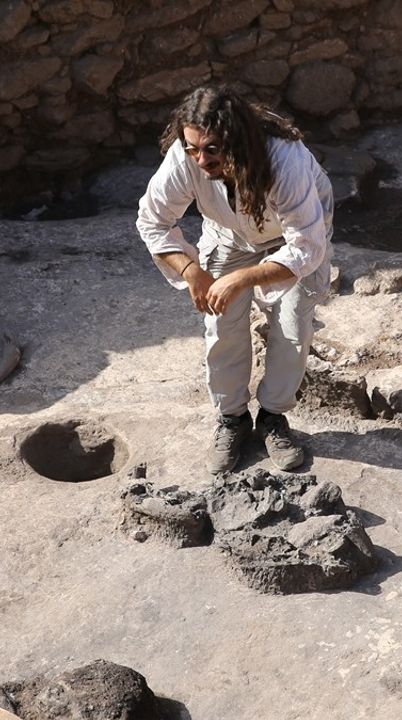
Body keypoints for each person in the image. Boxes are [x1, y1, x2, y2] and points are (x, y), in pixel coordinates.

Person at [137, 85, 334, 475]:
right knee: (221, 325)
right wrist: (191, 270)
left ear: (237, 139)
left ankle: (273, 419)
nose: (200, 159)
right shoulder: (187, 157)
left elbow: (306, 246)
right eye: (192, 148)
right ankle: (233, 419)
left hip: (291, 237)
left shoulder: (285, 159)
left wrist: (242, 278)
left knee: (293, 328)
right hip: (228, 236)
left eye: (211, 149)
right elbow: (152, 220)